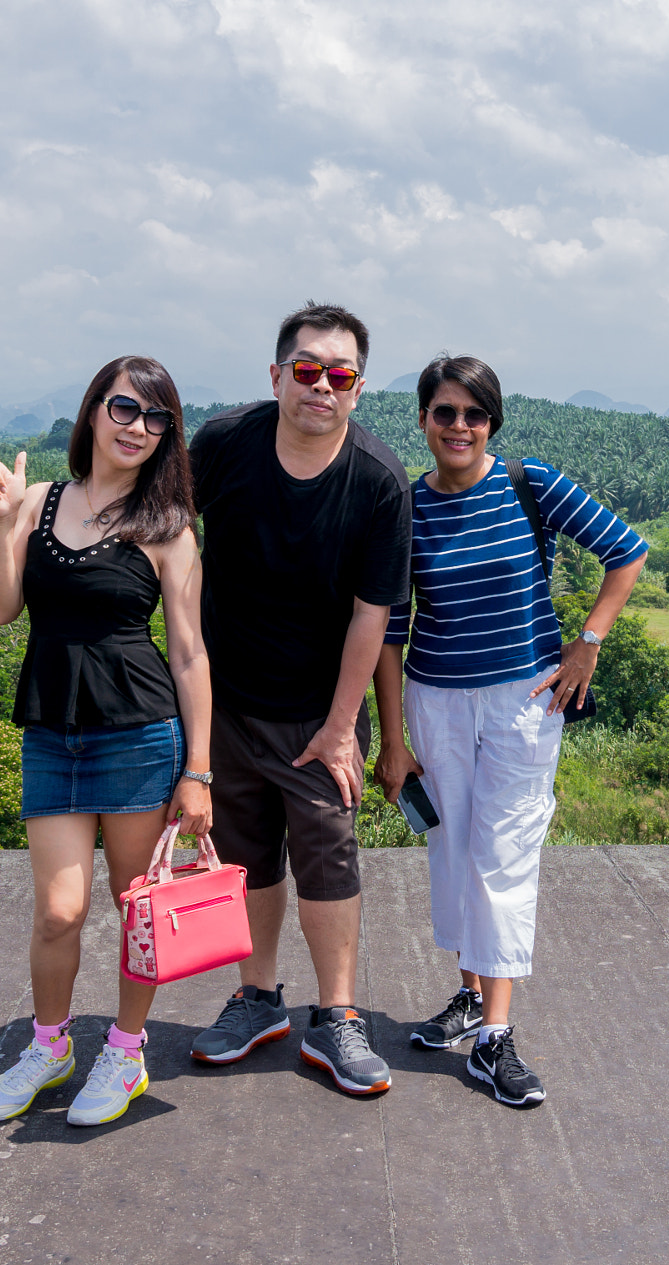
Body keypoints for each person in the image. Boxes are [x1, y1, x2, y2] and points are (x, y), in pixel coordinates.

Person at [373, 353, 647, 1106]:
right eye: (444, 412)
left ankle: (496, 1036)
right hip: (435, 699)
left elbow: (626, 551)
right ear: (423, 418)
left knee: (504, 852)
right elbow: (391, 631)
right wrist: (391, 739)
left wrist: (587, 640)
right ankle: (468, 997)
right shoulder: (405, 506)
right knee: (453, 847)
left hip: (524, 699)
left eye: (474, 414)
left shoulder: (531, 483)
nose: (459, 426)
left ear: (491, 421)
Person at [0, 356, 213, 1128]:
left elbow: (188, 653)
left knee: (135, 907)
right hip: (52, 732)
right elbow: (2, 610)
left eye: (156, 418)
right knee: (58, 911)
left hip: (139, 734)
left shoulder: (168, 528)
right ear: (94, 412)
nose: (138, 427)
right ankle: (51, 1046)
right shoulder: (39, 502)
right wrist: (2, 521)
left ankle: (127, 1050)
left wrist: (199, 769)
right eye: (124, 409)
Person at [185, 302, 413, 1096]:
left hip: (318, 712)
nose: (322, 386)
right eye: (307, 369)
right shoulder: (223, 445)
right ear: (276, 374)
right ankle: (257, 997)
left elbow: (371, 614)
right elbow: (166, 531)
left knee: (328, 857)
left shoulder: (377, 480)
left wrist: (344, 727)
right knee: (246, 859)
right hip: (229, 698)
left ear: (358, 389)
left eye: (340, 375)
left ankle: (339, 1017)